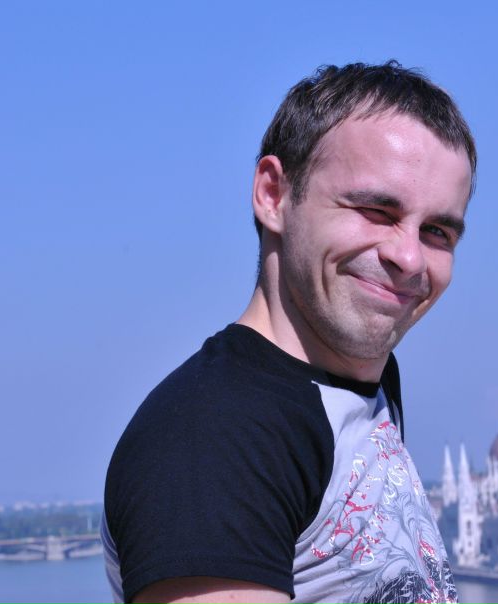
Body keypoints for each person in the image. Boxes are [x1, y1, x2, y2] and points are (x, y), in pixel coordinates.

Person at [102, 61, 476, 604]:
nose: (410, 257)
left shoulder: (358, 389)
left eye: (437, 231)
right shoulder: (215, 438)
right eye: (376, 210)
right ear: (273, 194)